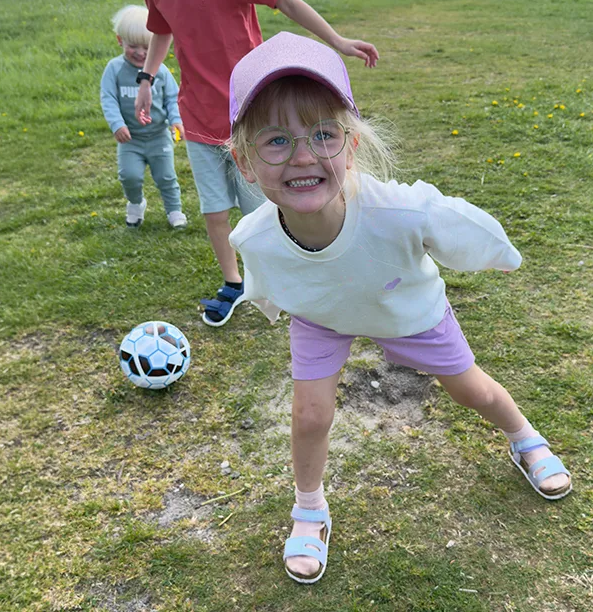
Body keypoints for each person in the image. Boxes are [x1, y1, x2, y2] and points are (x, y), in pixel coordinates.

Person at [227, 32, 572, 584]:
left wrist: (498, 254)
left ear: (352, 145)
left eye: (322, 135)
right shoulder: (256, 235)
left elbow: (454, 221)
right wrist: (272, 306)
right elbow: (265, 278)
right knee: (310, 415)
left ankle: (523, 436)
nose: (303, 156)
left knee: (470, 389)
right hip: (323, 315)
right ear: (244, 162)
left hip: (403, 306)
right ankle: (309, 507)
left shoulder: (398, 212)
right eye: (276, 141)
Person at [130, 0, 379, 326]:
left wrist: (337, 40)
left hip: (251, 114)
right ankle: (234, 282)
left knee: (265, 206)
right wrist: (147, 78)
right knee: (215, 210)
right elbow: (161, 30)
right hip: (199, 116)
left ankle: (291, 273)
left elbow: (284, 1)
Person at [100, 5, 187, 229]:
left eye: (147, 47)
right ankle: (136, 204)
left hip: (158, 136)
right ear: (120, 41)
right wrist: (117, 124)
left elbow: (172, 98)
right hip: (131, 139)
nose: (140, 53)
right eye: (133, 46)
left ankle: (174, 210)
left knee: (166, 176)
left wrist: (176, 120)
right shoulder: (114, 69)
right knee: (129, 176)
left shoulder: (161, 71)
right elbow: (108, 98)